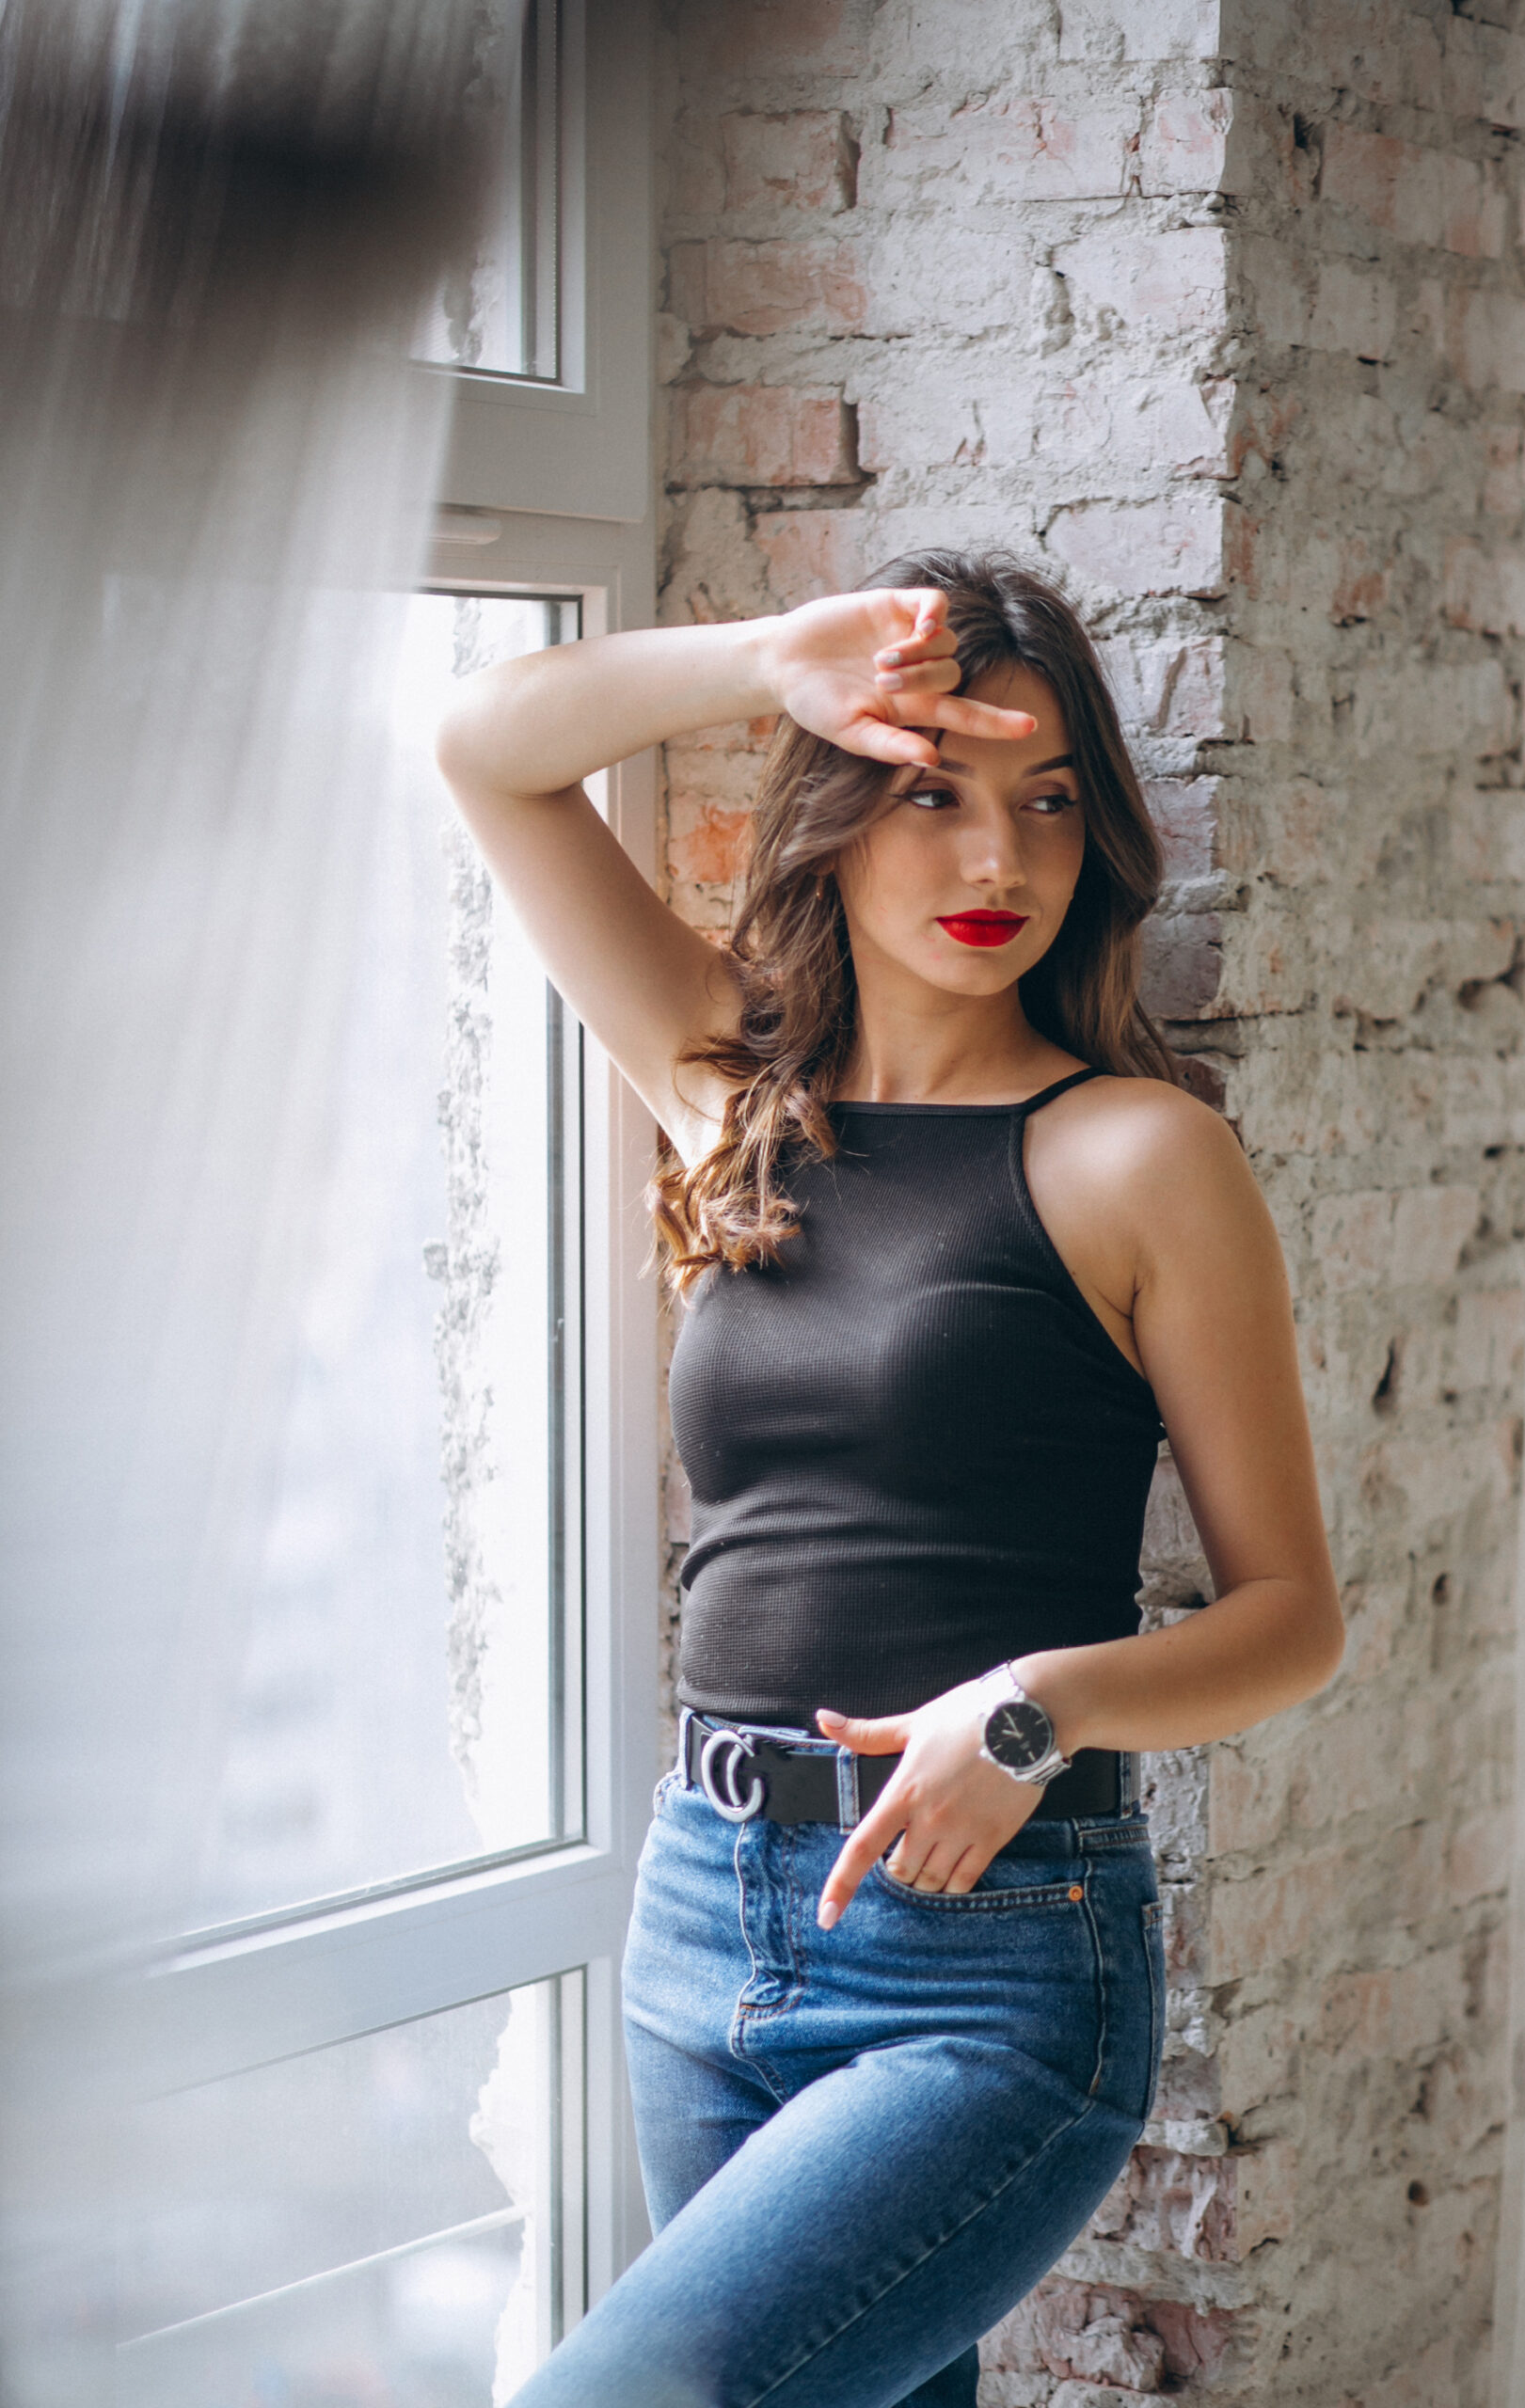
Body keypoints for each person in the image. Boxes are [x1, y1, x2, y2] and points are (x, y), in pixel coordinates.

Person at [437, 550, 1344, 2408]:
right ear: (836, 810)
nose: (994, 859)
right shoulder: (730, 1091)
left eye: (1043, 801)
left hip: (989, 1962)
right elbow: (483, 744)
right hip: (699, 1913)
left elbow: (1287, 1619)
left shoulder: (1136, 1156)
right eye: (931, 793)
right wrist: (775, 658)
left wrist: (1029, 1703)